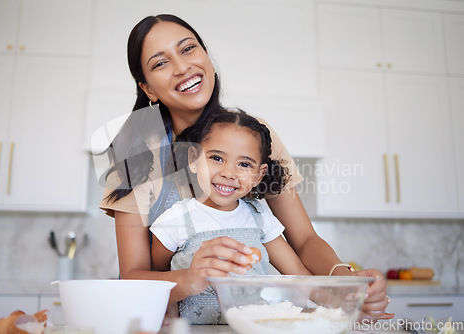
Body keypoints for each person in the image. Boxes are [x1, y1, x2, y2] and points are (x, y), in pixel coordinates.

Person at [99, 14, 393, 322]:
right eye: (160, 63)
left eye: (188, 49)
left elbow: (304, 239)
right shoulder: (133, 155)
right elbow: (132, 276)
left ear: (207, 58)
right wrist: (188, 278)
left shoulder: (255, 134)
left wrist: (347, 284)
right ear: (148, 89)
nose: (182, 67)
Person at [149, 110, 312, 324]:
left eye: (244, 164)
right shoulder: (175, 220)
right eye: (217, 158)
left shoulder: (259, 217)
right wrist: (169, 309)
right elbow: (157, 277)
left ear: (258, 175)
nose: (229, 173)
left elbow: (298, 274)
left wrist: (341, 300)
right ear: (193, 159)